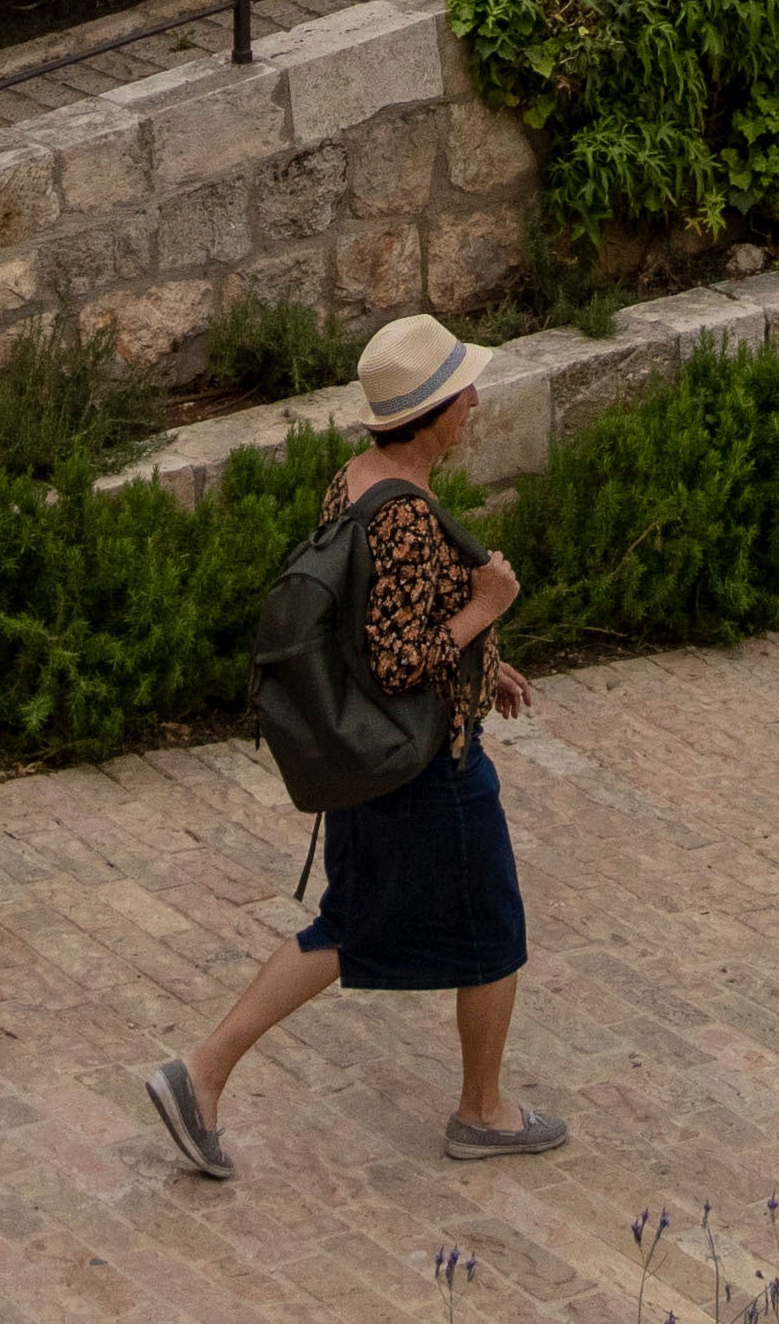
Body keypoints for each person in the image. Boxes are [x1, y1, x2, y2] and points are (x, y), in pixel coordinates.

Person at [143, 312, 556, 1176]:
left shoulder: (358, 481)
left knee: (347, 925)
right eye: (464, 392)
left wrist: (487, 662)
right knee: (493, 929)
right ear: (432, 413)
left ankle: (201, 1075)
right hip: (429, 767)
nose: (476, 403)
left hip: (372, 765)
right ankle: (482, 1112)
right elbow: (400, 662)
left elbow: (380, 623)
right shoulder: (407, 517)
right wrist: (489, 607)